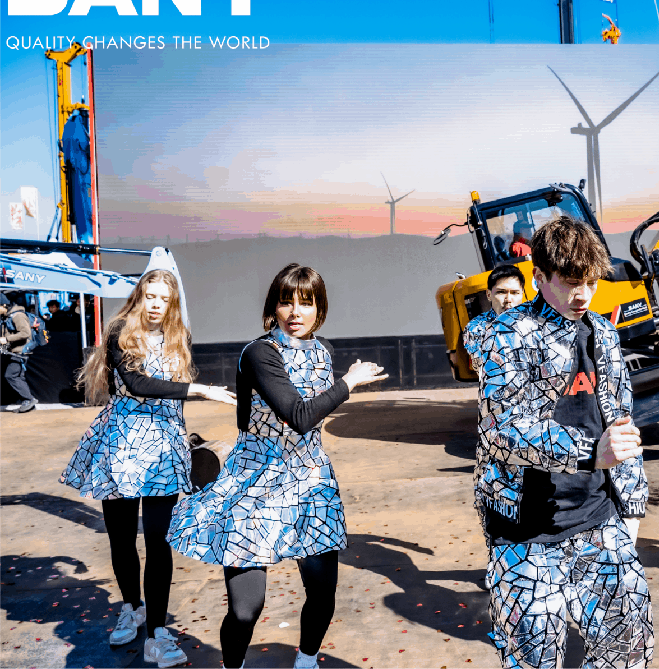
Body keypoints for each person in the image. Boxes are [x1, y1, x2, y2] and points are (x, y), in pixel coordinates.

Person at [167, 264, 386, 669]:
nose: (295, 312)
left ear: (320, 309)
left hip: (310, 480)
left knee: (322, 594)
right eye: (286, 302)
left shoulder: (323, 350)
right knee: (246, 609)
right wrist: (349, 382)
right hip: (255, 481)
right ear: (273, 306)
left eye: (306, 302)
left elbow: (311, 415)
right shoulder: (260, 353)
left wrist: (341, 384)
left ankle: (306, 660)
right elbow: (299, 415)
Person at [477, 215, 652, 668]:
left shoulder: (603, 333)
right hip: (525, 531)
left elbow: (621, 421)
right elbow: (502, 429)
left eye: (591, 283)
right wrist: (589, 453)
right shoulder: (507, 335)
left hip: (599, 518)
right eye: (572, 283)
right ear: (539, 276)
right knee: (534, 660)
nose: (583, 295)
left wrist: (632, 504)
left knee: (627, 652)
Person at [58, 270, 237, 668]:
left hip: (163, 447)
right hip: (121, 444)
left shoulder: (179, 336)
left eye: (164, 298)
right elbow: (136, 384)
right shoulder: (120, 330)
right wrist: (199, 389)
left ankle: (157, 632)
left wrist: (184, 441)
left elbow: (172, 397)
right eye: (150, 296)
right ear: (140, 296)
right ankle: (131, 607)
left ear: (172, 303)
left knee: (158, 540)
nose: (156, 304)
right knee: (122, 539)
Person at [462, 263, 527, 372]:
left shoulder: (536, 323)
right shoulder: (476, 327)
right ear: (489, 295)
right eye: (501, 292)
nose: (508, 299)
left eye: (515, 293)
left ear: (522, 294)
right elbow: (483, 368)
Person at [0, 292, 38, 412]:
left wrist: (6, 339)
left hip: (21, 351)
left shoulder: (18, 316)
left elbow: (25, 333)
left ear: (4, 305)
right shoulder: (8, 316)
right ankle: (28, 403)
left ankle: (29, 399)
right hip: (16, 351)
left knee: (11, 375)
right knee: (18, 377)